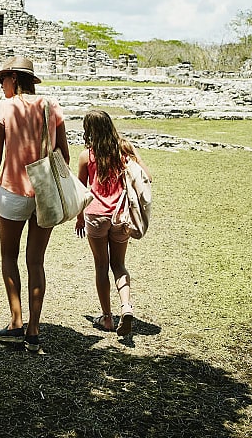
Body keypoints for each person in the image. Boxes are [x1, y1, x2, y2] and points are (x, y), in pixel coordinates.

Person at [0, 56, 68, 353]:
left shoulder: (2, 109)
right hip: (45, 192)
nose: (0, 85)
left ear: (13, 78)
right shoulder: (51, 106)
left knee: (8, 257)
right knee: (36, 261)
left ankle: (15, 322)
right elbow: (63, 154)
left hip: (13, 190)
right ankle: (34, 330)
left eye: (2, 79)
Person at [74, 110, 150, 336]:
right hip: (120, 216)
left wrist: (79, 218)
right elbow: (147, 176)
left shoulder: (86, 156)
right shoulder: (124, 152)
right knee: (119, 264)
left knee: (101, 266)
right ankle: (126, 307)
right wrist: (133, 154)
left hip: (96, 216)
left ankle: (107, 318)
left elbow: (81, 190)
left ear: (89, 131)